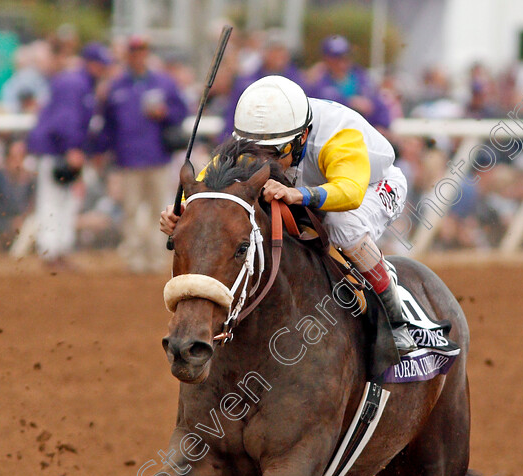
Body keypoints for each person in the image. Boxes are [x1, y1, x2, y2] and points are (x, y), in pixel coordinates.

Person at [160, 75, 418, 354]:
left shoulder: (340, 135)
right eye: (255, 152)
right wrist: (184, 211)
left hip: (371, 184)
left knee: (343, 224)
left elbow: (351, 192)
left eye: (272, 153)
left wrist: (301, 194)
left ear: (303, 136)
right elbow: (208, 186)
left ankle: (395, 315)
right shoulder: (255, 138)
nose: (262, 162)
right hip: (307, 183)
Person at [96, 35, 188, 273]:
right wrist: (100, 152)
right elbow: (108, 125)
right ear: (129, 55)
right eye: (134, 52)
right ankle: (135, 257)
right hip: (128, 159)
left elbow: (181, 111)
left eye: (142, 51)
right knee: (131, 210)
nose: (138, 56)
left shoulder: (164, 82)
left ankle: (156, 257)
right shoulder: (117, 86)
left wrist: (165, 113)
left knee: (159, 208)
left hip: (157, 157)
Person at [26, 42, 112, 268]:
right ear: (90, 63)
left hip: (62, 150)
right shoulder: (75, 83)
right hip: (57, 151)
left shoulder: (82, 83)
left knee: (67, 201)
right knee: (54, 200)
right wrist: (72, 148)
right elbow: (66, 120)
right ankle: (50, 251)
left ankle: (59, 249)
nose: (102, 69)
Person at [306, 35, 390, 130]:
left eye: (345, 56)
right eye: (336, 58)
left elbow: (380, 106)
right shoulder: (318, 82)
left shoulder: (363, 78)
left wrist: (381, 125)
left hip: (368, 131)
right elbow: (316, 113)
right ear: (326, 59)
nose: (341, 62)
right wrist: (349, 103)